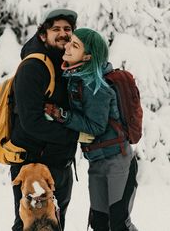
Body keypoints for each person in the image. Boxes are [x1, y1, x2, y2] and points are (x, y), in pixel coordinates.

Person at [45, 28, 138, 231]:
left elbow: (95, 127)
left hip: (117, 162)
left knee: (119, 223)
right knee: (99, 223)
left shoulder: (97, 86)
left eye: (75, 45)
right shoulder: (76, 77)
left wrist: (63, 116)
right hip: (97, 162)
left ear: (87, 56)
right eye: (70, 41)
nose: (67, 46)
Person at [10, 9, 79, 231]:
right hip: (34, 166)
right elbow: (30, 120)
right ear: (43, 35)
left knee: (55, 225)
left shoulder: (64, 65)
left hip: (58, 164)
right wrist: (70, 135)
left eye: (67, 29)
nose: (62, 34)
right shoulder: (33, 67)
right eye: (55, 29)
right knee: (31, 225)